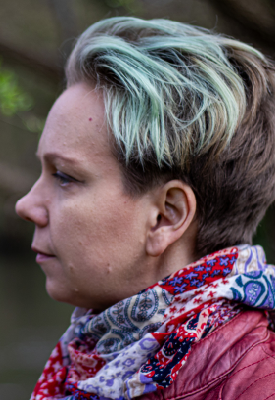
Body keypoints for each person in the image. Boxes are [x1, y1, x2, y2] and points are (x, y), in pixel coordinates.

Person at [15, 17, 275, 400]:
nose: (26, 205)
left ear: (165, 216)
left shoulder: (258, 386)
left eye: (65, 177)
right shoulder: (99, 356)